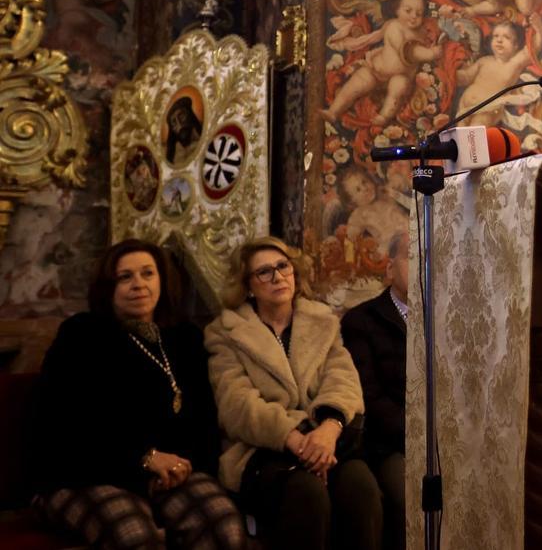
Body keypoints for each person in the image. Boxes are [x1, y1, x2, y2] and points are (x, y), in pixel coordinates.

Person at [32, 238, 246, 550]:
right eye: (125, 277)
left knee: (222, 524)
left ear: (162, 279)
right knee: (135, 536)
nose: (139, 285)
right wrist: (144, 459)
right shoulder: (81, 335)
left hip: (164, 474)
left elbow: (203, 419)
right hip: (79, 474)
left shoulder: (184, 339)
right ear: (108, 287)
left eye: (148, 273)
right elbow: (63, 426)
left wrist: (182, 465)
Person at [205, 236, 382, 550]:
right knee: (307, 492)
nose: (277, 277)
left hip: (328, 442)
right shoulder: (226, 332)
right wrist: (297, 440)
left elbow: (343, 380)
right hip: (263, 450)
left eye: (283, 267)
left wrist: (329, 429)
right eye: (264, 272)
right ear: (248, 285)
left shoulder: (323, 322)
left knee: (361, 487)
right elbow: (237, 404)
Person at [341, 230, 410, 550]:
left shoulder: (448, 318)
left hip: (447, 440)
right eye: (412, 255)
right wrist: (420, 436)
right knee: (408, 496)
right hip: (390, 444)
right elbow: (370, 397)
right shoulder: (362, 320)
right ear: (390, 269)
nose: (424, 263)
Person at [323, 0, 440, 126]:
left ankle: (383, 117)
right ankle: (333, 111)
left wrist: (433, 50)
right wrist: (430, 54)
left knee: (399, 86)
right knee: (357, 83)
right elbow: (405, 50)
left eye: (419, 13)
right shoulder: (394, 26)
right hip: (376, 70)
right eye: (408, 10)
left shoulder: (421, 33)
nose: (414, 16)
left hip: (400, 76)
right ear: (396, 9)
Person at [454, 20, 542, 126]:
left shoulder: (513, 64)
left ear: (516, 46)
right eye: (496, 36)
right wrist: (452, 72)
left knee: (475, 134)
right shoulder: (484, 61)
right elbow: (467, 77)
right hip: (465, 106)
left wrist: (539, 31)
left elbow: (531, 51)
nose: (499, 40)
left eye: (506, 37)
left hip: (488, 110)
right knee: (460, 137)